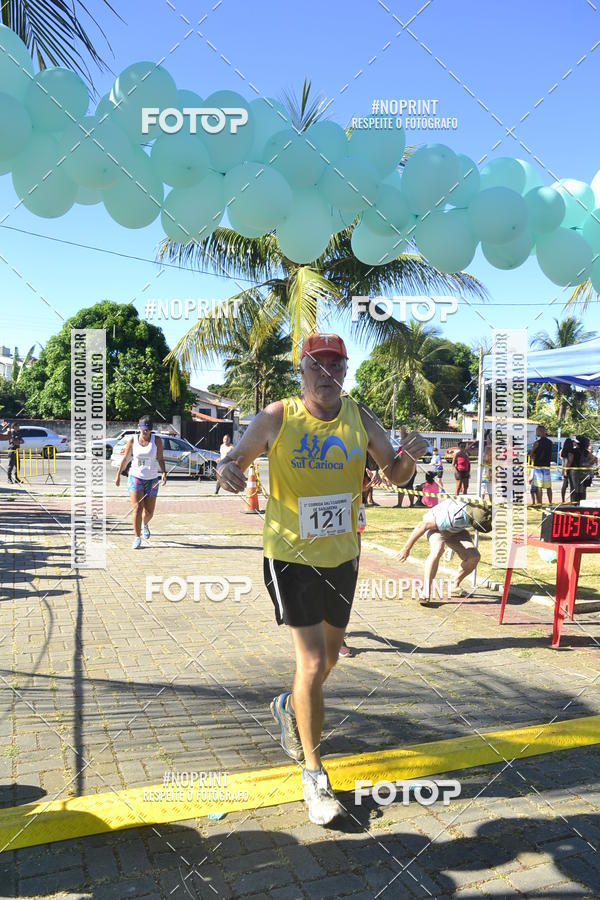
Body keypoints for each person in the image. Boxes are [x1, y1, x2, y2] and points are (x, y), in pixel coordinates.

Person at [216, 332, 426, 826]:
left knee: (330, 658)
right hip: (289, 554)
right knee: (311, 661)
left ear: (345, 372)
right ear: (303, 370)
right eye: (317, 364)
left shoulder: (358, 416)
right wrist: (226, 468)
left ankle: (290, 704)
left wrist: (410, 455)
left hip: (343, 555)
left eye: (335, 365)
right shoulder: (277, 416)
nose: (326, 374)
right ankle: (314, 775)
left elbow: (394, 473)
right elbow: (236, 460)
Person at [398, 498, 492, 604]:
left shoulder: (481, 511)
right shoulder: (451, 516)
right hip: (435, 529)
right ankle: (425, 591)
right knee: (438, 550)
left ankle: (454, 585)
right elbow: (423, 525)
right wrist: (407, 548)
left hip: (456, 530)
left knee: (474, 557)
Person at [115, 415, 167, 549]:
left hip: (152, 479)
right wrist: (118, 475)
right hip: (135, 476)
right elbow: (125, 458)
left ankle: (145, 524)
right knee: (137, 508)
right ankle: (137, 537)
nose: (146, 432)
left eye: (148, 430)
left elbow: (160, 458)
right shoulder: (132, 439)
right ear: (139, 428)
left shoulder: (157, 441)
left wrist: (164, 473)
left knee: (149, 512)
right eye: (144, 429)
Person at [567, 435, 596, 504]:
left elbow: (570, 461)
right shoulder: (586, 452)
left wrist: (566, 470)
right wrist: (586, 464)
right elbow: (593, 459)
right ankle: (582, 503)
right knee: (582, 489)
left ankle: (574, 503)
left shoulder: (573, 451)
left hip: (574, 471)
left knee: (574, 488)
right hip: (584, 471)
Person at [530, 424, 553, 506]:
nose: (536, 432)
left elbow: (531, 453)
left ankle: (539, 503)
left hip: (538, 466)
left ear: (540, 431)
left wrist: (533, 456)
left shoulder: (537, 443)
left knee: (539, 486)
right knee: (548, 486)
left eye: (537, 430)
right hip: (546, 466)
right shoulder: (550, 442)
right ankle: (550, 503)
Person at [560, 437, 574, 503]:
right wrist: (566, 470)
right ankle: (572, 499)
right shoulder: (570, 452)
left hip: (564, 468)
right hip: (569, 470)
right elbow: (570, 461)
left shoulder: (563, 451)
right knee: (572, 485)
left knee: (564, 485)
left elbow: (561, 457)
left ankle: (563, 499)